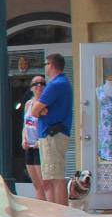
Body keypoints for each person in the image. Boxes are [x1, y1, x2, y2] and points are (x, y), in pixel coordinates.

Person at [33, 53, 74, 205]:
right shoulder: (63, 83)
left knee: (56, 178)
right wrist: (42, 109)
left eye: (46, 64)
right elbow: (39, 110)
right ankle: (55, 214)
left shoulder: (56, 84)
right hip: (54, 134)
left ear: (51, 64)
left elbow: (34, 110)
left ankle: (61, 215)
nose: (45, 68)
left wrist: (40, 107)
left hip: (53, 135)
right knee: (51, 177)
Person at [19, 74, 46, 195]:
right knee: (36, 184)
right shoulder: (28, 104)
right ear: (31, 88)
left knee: (43, 183)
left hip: (39, 146)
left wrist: (41, 142)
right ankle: (40, 211)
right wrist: (23, 139)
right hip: (29, 146)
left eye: (42, 83)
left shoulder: (45, 104)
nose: (39, 86)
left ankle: (48, 210)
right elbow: (25, 124)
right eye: (35, 84)